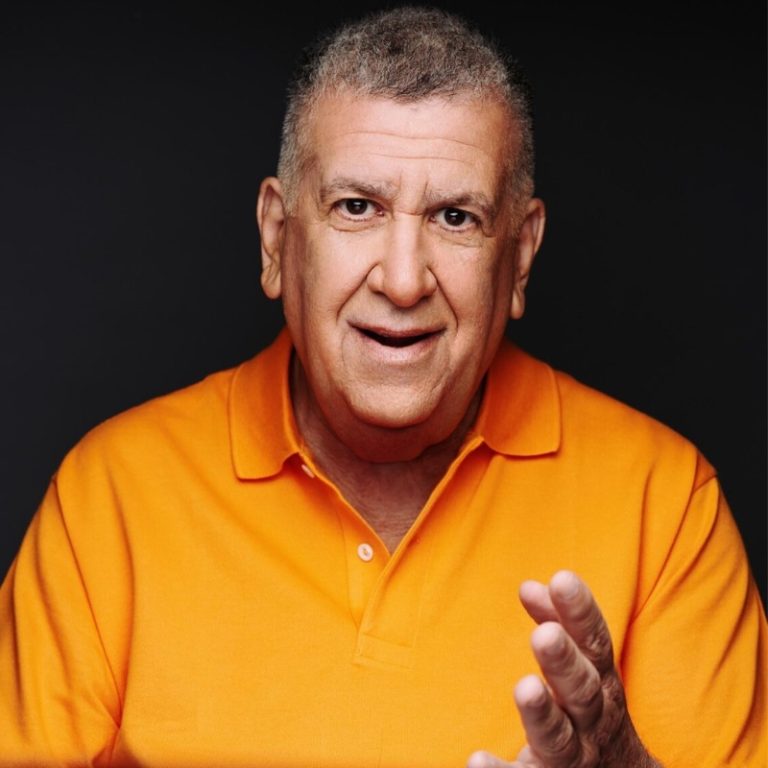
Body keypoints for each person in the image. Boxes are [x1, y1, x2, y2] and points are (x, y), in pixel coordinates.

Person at [0, 6, 764, 767]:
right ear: (276, 238)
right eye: (357, 207)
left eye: (456, 217)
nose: (403, 281)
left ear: (521, 256)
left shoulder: (666, 504)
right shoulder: (108, 498)